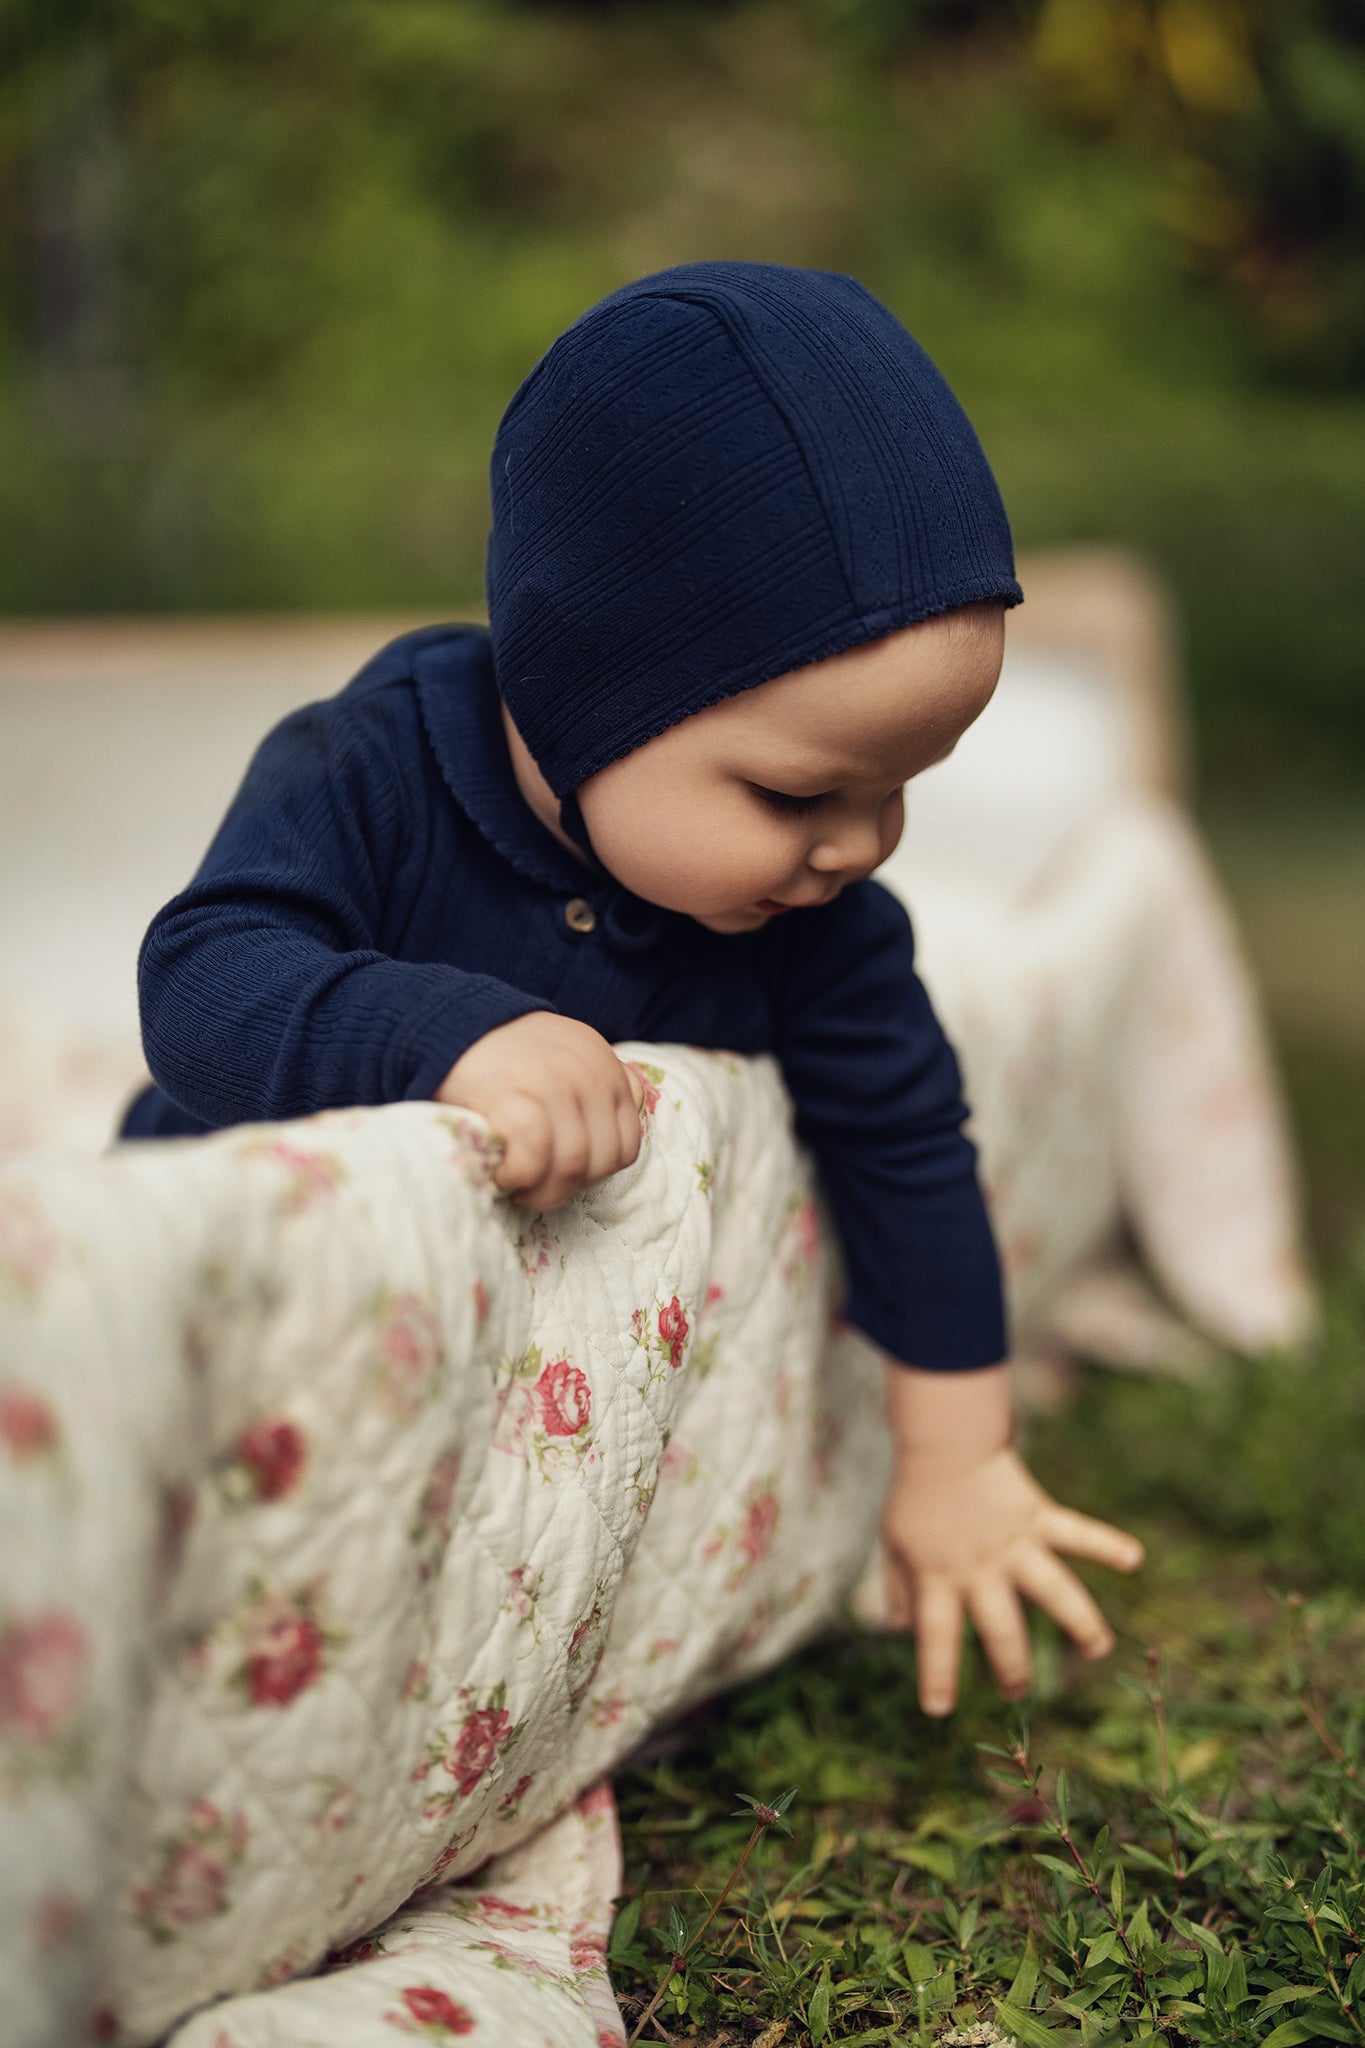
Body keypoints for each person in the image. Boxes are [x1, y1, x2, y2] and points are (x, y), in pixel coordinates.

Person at [120, 260, 1143, 1715]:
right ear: (583, 690)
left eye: (901, 786)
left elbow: (904, 1149)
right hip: (238, 1330)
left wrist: (955, 1457)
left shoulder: (822, 919)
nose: (856, 845)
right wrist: (453, 1033)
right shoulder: (365, 771)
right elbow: (203, 982)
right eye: (797, 791)